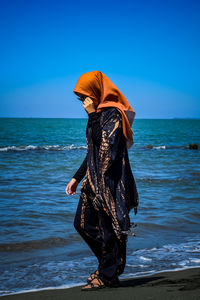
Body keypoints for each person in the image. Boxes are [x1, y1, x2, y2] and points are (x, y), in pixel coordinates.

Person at [65, 71, 139, 291]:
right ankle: (111, 265)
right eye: (80, 98)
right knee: (82, 224)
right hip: (93, 182)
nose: (83, 102)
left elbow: (106, 147)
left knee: (107, 230)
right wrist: (77, 177)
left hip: (110, 184)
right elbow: (93, 151)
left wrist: (92, 116)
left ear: (96, 91)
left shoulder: (113, 115)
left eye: (85, 96)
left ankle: (108, 274)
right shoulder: (98, 115)